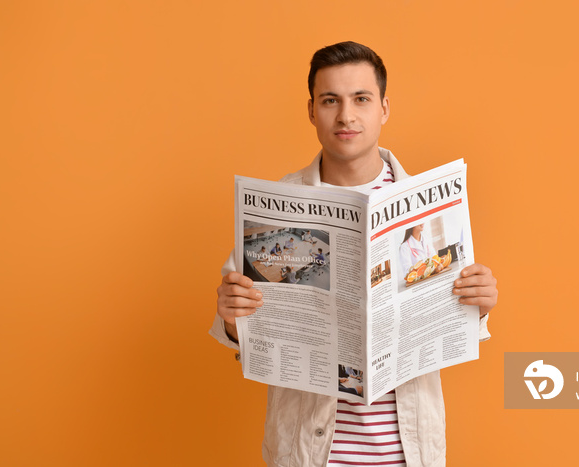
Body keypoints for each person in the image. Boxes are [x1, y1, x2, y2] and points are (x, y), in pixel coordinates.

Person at [211, 41, 498, 466]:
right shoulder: (274, 205)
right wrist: (232, 320)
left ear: (383, 108)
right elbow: (242, 337)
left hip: (407, 454)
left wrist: (480, 303)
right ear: (312, 110)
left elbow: (451, 330)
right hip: (309, 455)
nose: (346, 116)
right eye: (331, 101)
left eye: (361, 99)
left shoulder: (427, 203)